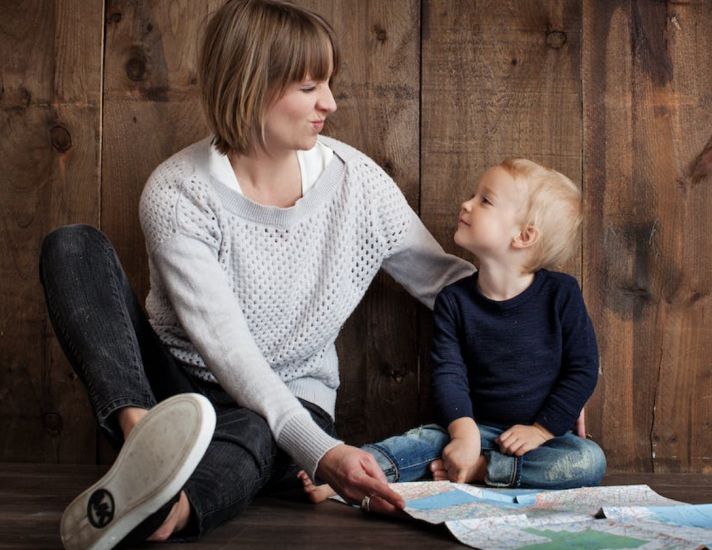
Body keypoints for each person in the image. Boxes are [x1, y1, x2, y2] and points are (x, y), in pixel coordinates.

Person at [39, 1, 475, 548]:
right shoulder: (178, 192)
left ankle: (168, 508)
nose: (330, 104)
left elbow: (447, 284)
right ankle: (144, 445)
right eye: (310, 87)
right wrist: (319, 454)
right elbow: (227, 348)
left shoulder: (357, 185)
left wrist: (547, 354)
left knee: (260, 427)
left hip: (292, 398)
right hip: (173, 388)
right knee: (72, 246)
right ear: (252, 85)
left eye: (328, 84)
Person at [300, 158, 606, 504]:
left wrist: (542, 430)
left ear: (524, 236)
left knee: (588, 461)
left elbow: (581, 369)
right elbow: (449, 373)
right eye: (474, 195)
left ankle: (482, 471)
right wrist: (463, 434)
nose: (467, 204)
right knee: (419, 443)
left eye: (485, 201)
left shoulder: (561, 294)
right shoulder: (455, 301)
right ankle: (347, 477)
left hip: (540, 440)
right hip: (472, 426)